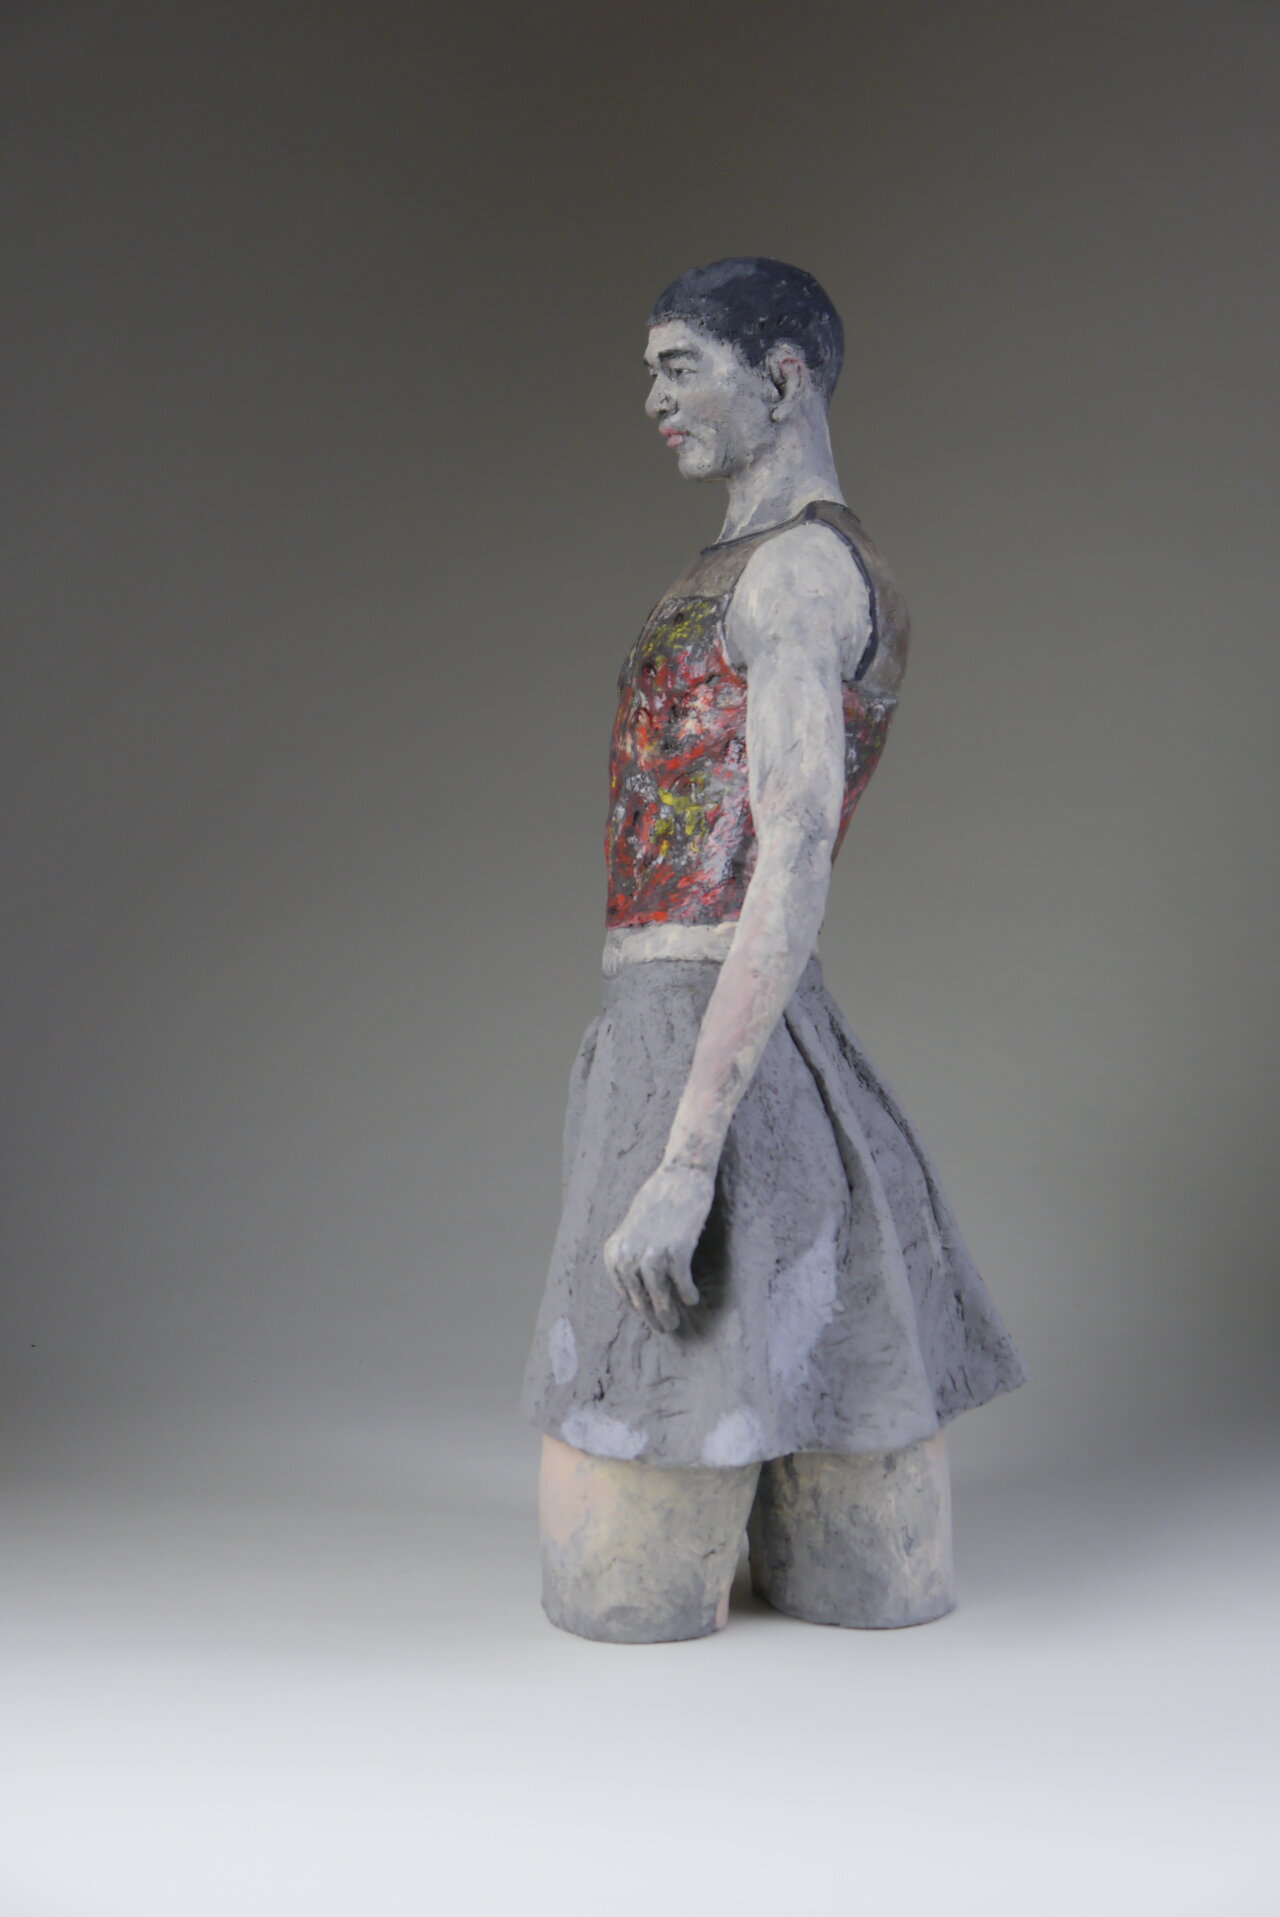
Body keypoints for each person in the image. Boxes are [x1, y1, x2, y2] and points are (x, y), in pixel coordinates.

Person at [520, 258, 1025, 1642]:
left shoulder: (798, 572)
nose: (652, 399)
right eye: (650, 371)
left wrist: (685, 1158)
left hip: (708, 1045)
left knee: (624, 1590)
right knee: (841, 1562)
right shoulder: (749, 565)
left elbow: (792, 858)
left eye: (680, 367)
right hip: (745, 1043)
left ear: (784, 376)